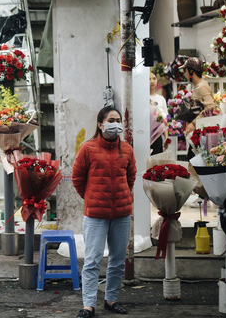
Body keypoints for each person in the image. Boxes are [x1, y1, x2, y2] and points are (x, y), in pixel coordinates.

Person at [72, 107, 137, 318]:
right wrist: (92, 197)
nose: (115, 123)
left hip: (122, 213)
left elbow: (131, 178)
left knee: (118, 260)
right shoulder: (87, 148)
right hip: (95, 215)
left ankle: (111, 299)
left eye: (118, 120)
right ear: (100, 124)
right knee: (92, 260)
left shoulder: (126, 149)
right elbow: (77, 178)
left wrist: (122, 196)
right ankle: (88, 305)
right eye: (111, 120)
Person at [183, 57, 216, 136]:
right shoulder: (200, 84)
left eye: (185, 71)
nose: (184, 74)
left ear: (191, 71)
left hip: (202, 130)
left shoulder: (201, 87)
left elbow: (211, 107)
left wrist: (193, 123)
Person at [150, 72, 168, 155]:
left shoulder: (161, 99)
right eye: (149, 79)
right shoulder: (141, 97)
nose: (152, 81)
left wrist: (166, 136)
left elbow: (165, 120)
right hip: (144, 135)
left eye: (154, 78)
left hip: (157, 135)